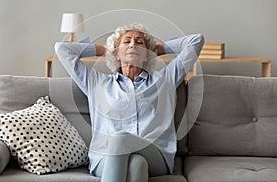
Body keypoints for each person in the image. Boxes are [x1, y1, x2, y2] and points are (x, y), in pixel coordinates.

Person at [55, 23, 204, 182]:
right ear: (116, 54)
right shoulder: (96, 83)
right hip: (105, 157)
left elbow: (196, 41)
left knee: (121, 138)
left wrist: (156, 49)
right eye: (127, 42)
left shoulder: (165, 79)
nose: (133, 44)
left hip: (155, 155)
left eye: (139, 43)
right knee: (137, 164)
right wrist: (106, 50)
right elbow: (62, 48)